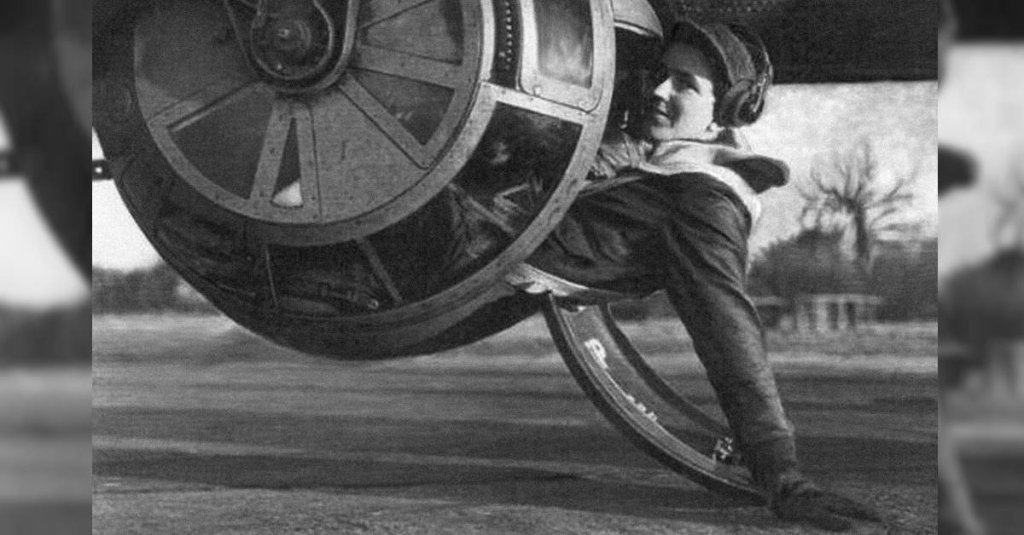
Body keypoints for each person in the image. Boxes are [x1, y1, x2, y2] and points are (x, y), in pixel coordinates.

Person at [524, 16, 883, 531]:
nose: (659, 91)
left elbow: (726, 325)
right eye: (661, 76)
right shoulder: (659, 158)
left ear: (721, 118)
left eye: (685, 85)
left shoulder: (701, 197)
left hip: (461, 247)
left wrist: (781, 473)